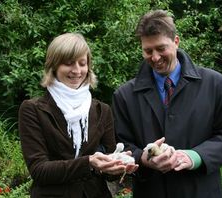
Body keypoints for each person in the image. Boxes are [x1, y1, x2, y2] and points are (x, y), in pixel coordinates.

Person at [112, 9, 222, 198]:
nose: (155, 57)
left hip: (201, 191)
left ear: (176, 42)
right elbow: (122, 144)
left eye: (161, 48)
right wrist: (143, 157)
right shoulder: (124, 96)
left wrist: (195, 157)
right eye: (148, 51)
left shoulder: (214, 83)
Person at [18, 33, 138, 198]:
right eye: (68, 63)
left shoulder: (102, 110)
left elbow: (109, 173)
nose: (77, 70)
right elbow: (39, 170)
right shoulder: (33, 110)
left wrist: (118, 165)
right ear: (54, 66)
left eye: (82, 63)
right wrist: (88, 162)